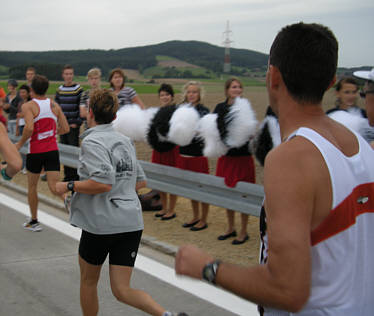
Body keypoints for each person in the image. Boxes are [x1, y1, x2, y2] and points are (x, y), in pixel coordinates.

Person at [175, 22, 374, 315]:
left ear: (273, 76)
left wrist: (207, 267)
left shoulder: (291, 158)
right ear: (332, 80)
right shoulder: (362, 146)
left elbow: (287, 290)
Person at [55, 89, 187, 316]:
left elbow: (102, 183)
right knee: (122, 289)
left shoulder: (92, 141)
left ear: (90, 114)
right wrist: (119, 190)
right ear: (115, 116)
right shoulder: (125, 141)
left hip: (100, 224)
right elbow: (141, 180)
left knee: (88, 281)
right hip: (130, 222)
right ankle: (167, 315)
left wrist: (68, 186)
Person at [16, 75, 70, 232]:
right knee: (54, 187)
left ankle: (34, 221)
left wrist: (19, 144)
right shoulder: (55, 105)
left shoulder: (28, 106)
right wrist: (51, 133)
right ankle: (67, 198)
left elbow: (29, 128)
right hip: (52, 150)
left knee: (32, 186)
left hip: (36, 152)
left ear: (31, 89)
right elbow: (66, 129)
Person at [215, 78, 255, 245]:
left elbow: (251, 129)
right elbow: (216, 128)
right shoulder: (220, 108)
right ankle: (231, 227)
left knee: (243, 195)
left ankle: (244, 231)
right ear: (227, 90)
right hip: (227, 157)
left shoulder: (245, 108)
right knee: (228, 193)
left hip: (243, 157)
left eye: (239, 87)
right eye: (233, 87)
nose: (237, 89)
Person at [177, 81, 210, 230]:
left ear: (199, 94)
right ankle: (195, 216)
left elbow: (206, 132)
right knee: (191, 189)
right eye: (189, 92)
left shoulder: (204, 111)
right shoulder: (180, 110)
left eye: (194, 92)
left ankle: (203, 219)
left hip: (198, 156)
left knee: (202, 188)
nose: (191, 95)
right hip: (184, 154)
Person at [151, 83, 179, 219]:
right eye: (162, 95)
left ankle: (171, 209)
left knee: (172, 180)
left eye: (167, 94)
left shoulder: (177, 111)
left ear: (172, 96)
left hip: (171, 149)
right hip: (158, 149)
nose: (165, 97)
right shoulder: (156, 112)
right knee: (159, 179)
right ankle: (164, 207)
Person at [55, 64, 83, 181]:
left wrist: (77, 123)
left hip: (73, 126)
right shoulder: (59, 90)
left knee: (74, 151)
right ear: (63, 75)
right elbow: (56, 108)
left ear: (73, 75)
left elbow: (81, 108)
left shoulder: (78, 89)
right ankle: (67, 176)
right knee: (64, 151)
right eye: (66, 74)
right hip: (62, 127)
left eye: (70, 74)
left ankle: (75, 176)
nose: (68, 76)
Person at [16, 84, 31, 174]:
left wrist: (22, 115)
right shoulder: (20, 103)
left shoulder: (31, 103)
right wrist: (17, 128)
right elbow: (18, 116)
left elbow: (30, 115)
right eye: (20, 92)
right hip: (21, 126)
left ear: (28, 93)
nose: (22, 94)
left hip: (28, 126)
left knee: (29, 147)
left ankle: (27, 166)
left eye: (24, 92)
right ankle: (22, 165)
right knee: (22, 146)